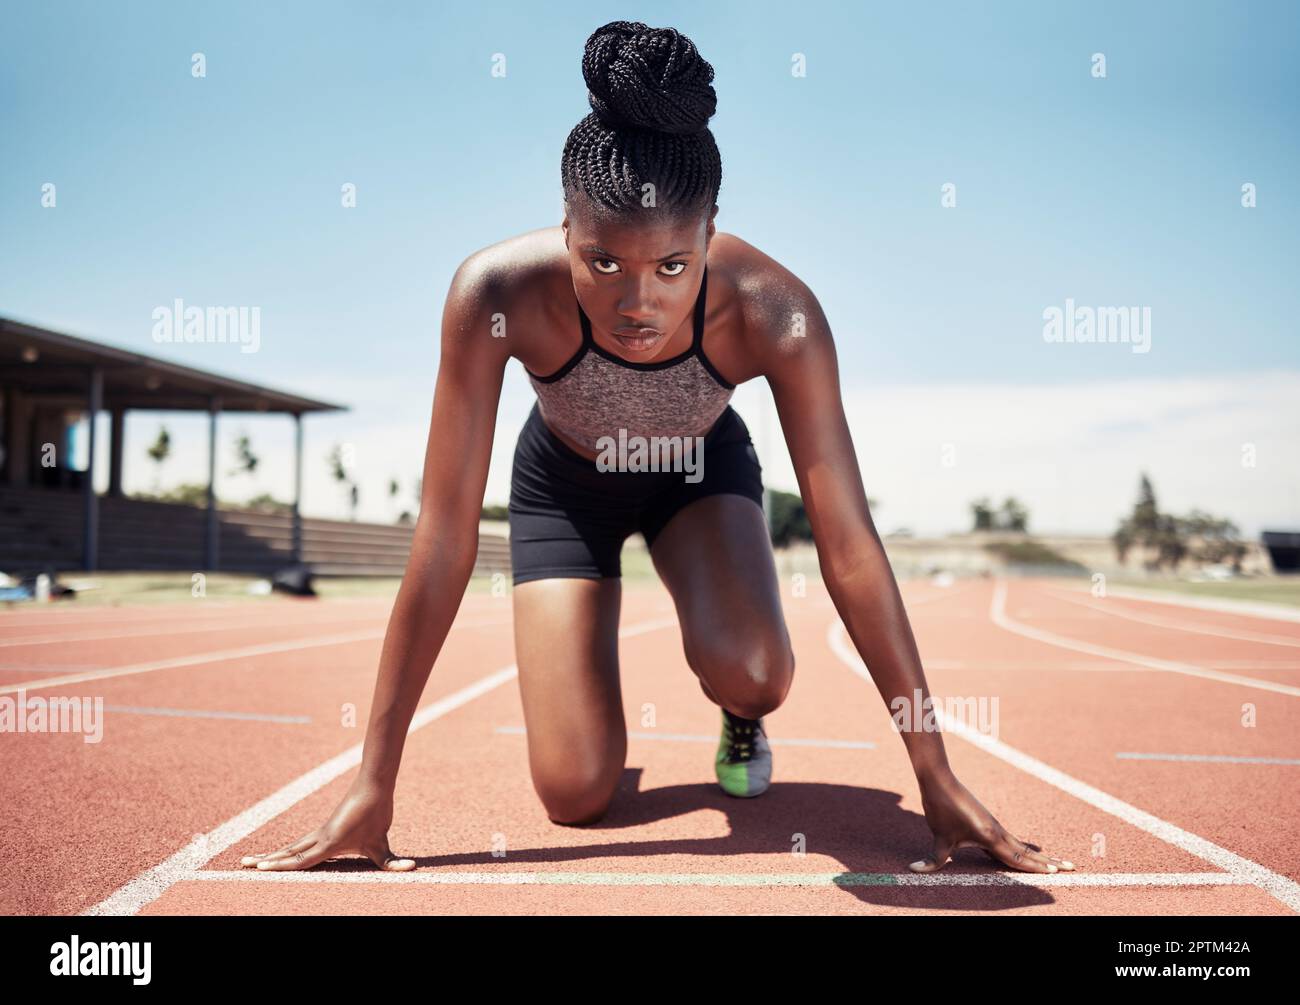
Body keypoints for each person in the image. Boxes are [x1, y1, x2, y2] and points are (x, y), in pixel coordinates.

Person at [241, 20, 1073, 877]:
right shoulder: (493, 294)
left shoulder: (777, 314)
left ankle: (739, 715)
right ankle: (594, 722)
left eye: (673, 266)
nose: (637, 302)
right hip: (564, 485)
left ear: (711, 231)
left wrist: (933, 772)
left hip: (697, 474)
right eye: (603, 263)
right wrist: (373, 783)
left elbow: (850, 545)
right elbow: (445, 533)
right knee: (574, 794)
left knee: (753, 668)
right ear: (565, 226)